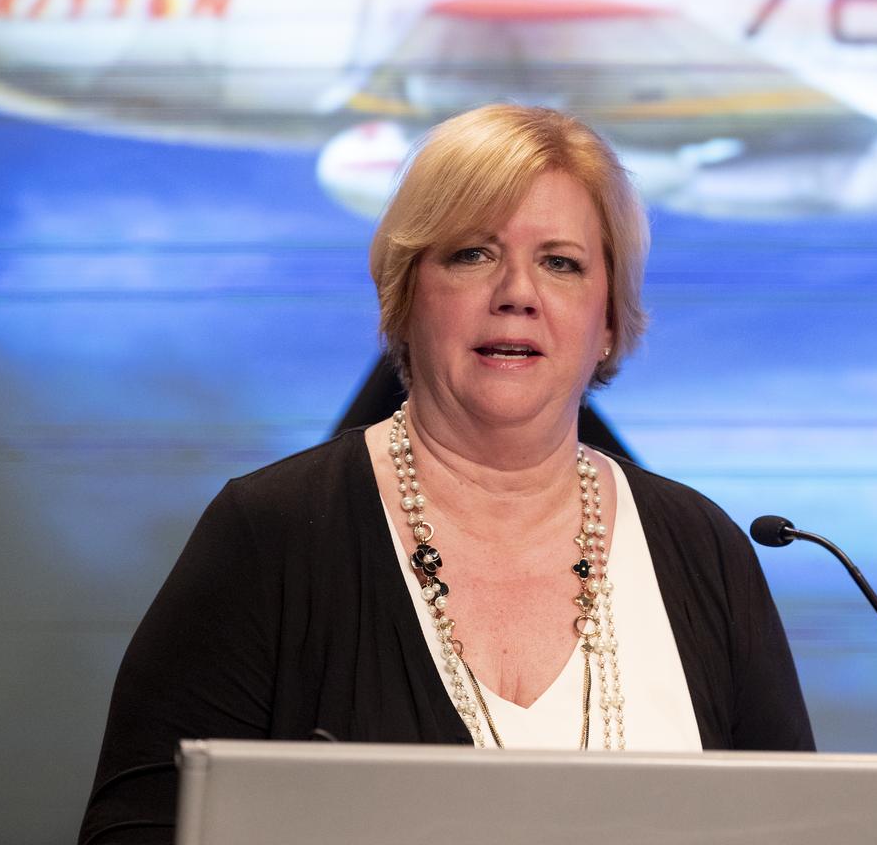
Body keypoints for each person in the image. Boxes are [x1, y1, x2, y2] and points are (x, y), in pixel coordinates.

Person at [78, 104, 813, 845]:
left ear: (610, 321)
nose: (517, 292)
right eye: (472, 254)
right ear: (404, 296)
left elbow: (809, 828)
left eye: (561, 262)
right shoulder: (270, 536)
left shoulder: (701, 550)